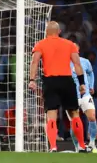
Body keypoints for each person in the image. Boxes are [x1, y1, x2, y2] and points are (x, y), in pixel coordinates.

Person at [29, 22, 89, 153]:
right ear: (59, 31)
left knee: (51, 115)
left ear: (46, 31)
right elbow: (77, 64)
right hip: (67, 81)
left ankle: (53, 147)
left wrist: (32, 79)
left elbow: (34, 62)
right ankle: (81, 146)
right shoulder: (70, 44)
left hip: (50, 82)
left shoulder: (41, 44)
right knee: (74, 113)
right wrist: (82, 83)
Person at [69, 45, 97, 153]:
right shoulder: (64, 63)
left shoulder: (85, 62)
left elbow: (91, 73)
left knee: (92, 117)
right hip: (72, 96)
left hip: (85, 94)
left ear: (78, 50)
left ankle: (92, 143)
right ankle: (77, 147)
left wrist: (91, 85)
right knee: (74, 123)